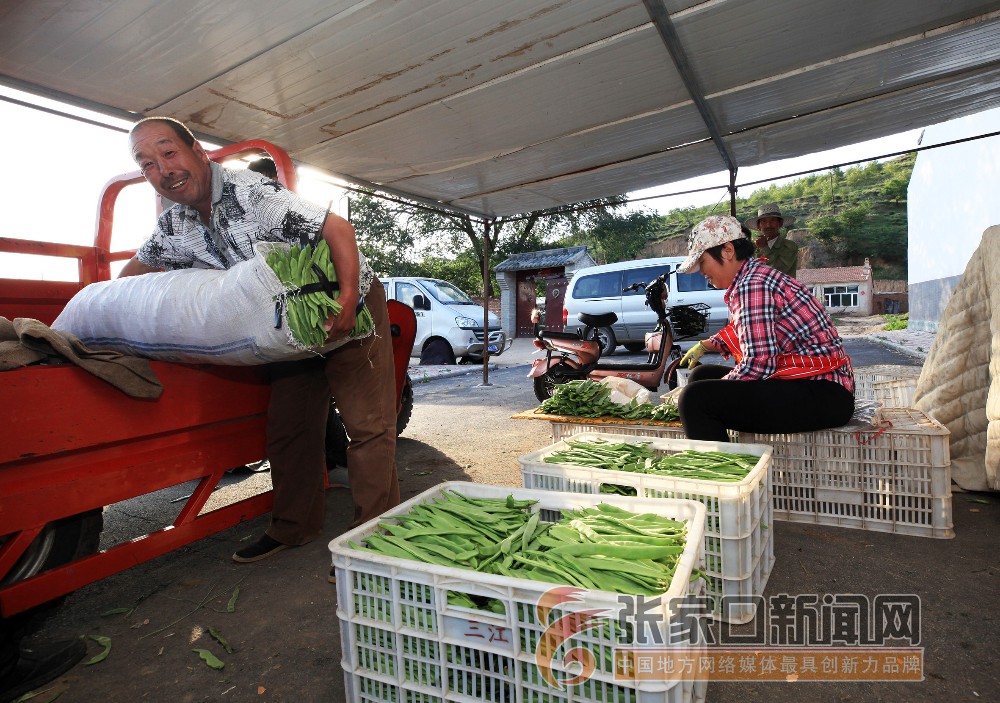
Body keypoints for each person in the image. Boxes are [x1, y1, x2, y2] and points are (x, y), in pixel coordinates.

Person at [120, 117, 399, 577]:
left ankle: (374, 545)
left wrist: (348, 301)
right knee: (289, 430)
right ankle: (293, 527)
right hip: (288, 322)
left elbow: (338, 230)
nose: (162, 169)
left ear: (197, 150)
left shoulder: (249, 193)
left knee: (368, 426)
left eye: (169, 153)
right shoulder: (174, 226)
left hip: (345, 299)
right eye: (147, 164)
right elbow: (131, 277)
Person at [676, 214, 855, 442]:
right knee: (702, 376)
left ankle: (725, 475)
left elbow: (759, 364)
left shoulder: (753, 285)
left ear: (728, 251)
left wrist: (717, 390)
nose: (702, 272)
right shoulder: (753, 277)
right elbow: (747, 329)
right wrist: (709, 353)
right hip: (808, 384)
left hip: (823, 394)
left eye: (702, 263)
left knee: (695, 399)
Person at [744, 202, 799, 277]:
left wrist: (764, 248)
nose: (768, 225)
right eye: (764, 221)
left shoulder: (790, 246)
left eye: (772, 221)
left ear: (780, 223)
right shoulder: (752, 248)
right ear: (759, 226)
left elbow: (777, 271)